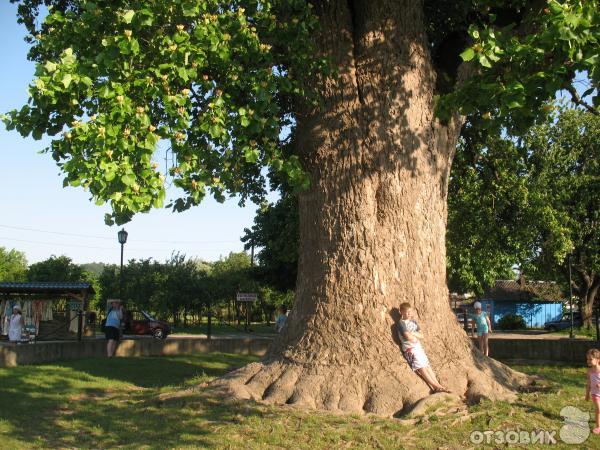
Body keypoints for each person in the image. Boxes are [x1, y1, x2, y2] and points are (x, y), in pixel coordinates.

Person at [397, 302, 449, 393]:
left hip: (418, 346)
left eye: (410, 312)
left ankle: (439, 385)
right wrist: (413, 336)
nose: (409, 314)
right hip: (410, 349)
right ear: (401, 312)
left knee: (427, 365)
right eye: (407, 312)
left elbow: (421, 335)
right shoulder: (401, 323)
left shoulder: (414, 322)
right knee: (420, 366)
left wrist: (412, 333)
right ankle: (435, 386)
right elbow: (408, 337)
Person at [585, 348, 600, 434]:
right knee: (598, 409)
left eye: (590, 359)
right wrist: (587, 394)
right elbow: (588, 384)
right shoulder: (589, 371)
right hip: (595, 394)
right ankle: (598, 427)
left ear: (598, 360)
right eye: (587, 359)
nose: (588, 361)